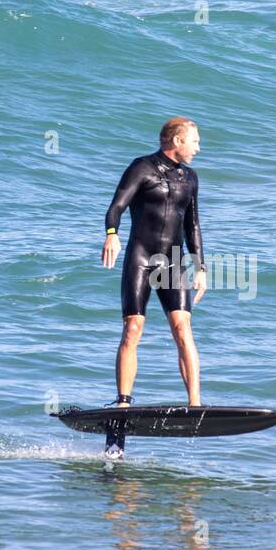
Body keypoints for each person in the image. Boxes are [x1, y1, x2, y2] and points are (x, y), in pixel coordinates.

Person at [102, 117, 208, 409]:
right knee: (133, 327)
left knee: (182, 327)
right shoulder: (142, 168)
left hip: (172, 261)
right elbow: (116, 207)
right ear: (177, 141)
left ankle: (194, 404)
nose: (198, 148)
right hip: (141, 256)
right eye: (195, 141)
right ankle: (123, 402)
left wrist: (200, 267)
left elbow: (192, 226)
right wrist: (112, 235)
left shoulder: (191, 178)